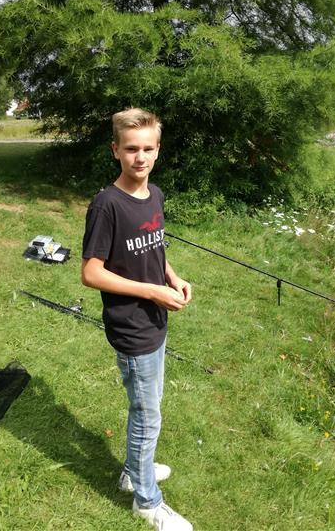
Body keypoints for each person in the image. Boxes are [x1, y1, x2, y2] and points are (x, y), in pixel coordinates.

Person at [81, 108, 193, 531]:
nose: (140, 157)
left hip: (155, 320)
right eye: (131, 149)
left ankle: (133, 471)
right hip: (131, 326)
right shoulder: (107, 205)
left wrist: (172, 277)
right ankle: (147, 503)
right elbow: (91, 272)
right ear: (116, 151)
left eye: (147, 148)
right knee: (148, 417)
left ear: (158, 150)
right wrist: (152, 291)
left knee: (149, 407)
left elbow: (154, 248)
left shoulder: (155, 195)